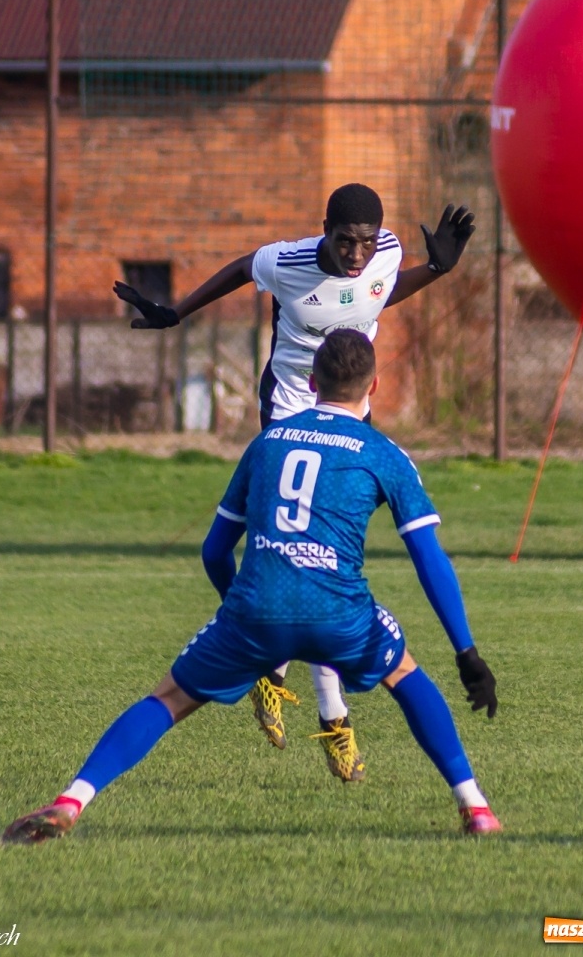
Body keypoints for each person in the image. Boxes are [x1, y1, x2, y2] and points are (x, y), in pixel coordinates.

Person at [3, 331, 501, 846]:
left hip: (254, 611)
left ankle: (71, 801)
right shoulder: (384, 453)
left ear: (312, 383)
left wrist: (242, 618)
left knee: (169, 699)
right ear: (374, 385)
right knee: (403, 671)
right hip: (340, 614)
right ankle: (476, 808)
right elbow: (428, 558)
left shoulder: (268, 441)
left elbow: (214, 551)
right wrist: (466, 653)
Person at [113, 183, 475, 781]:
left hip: (348, 411)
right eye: (345, 241)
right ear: (324, 231)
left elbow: (380, 294)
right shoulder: (288, 262)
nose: (357, 253)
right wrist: (178, 311)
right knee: (312, 570)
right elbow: (238, 269)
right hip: (286, 416)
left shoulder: (383, 252)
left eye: (365, 241)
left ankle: (273, 672)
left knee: (321, 571)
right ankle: (332, 719)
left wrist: (435, 269)